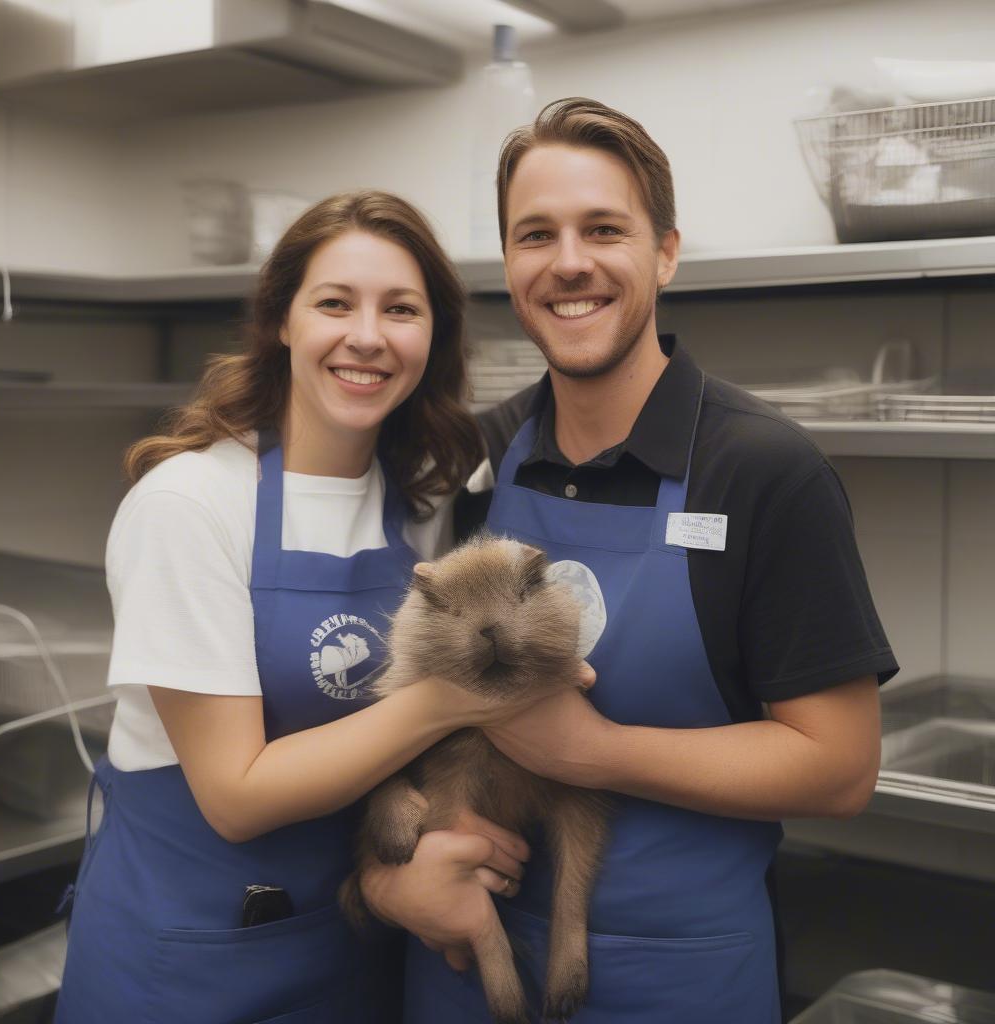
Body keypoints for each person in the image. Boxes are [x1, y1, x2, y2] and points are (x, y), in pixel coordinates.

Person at [366, 99, 898, 1022]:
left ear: (665, 252)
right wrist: (386, 886)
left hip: (677, 980)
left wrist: (598, 753)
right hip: (461, 964)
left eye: (604, 229)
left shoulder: (762, 470)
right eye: (537, 235)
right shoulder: (473, 466)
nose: (569, 262)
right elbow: (391, 708)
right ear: (511, 265)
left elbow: (840, 769)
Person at [54, 191, 543, 1024]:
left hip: (353, 940)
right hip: (186, 964)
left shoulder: (424, 500)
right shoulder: (192, 503)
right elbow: (236, 795)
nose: (367, 336)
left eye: (401, 309)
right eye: (334, 303)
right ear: (282, 319)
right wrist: (462, 695)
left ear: (434, 338)